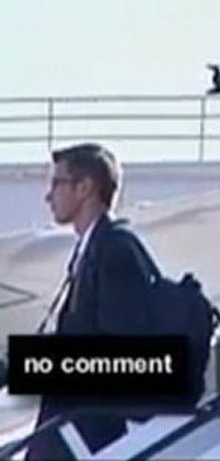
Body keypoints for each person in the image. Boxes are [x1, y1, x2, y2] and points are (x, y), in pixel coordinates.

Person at [27, 143, 152, 461]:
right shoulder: (93, 250)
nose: (48, 196)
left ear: (84, 188)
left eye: (57, 183)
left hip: (85, 437)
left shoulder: (115, 250)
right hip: (72, 432)